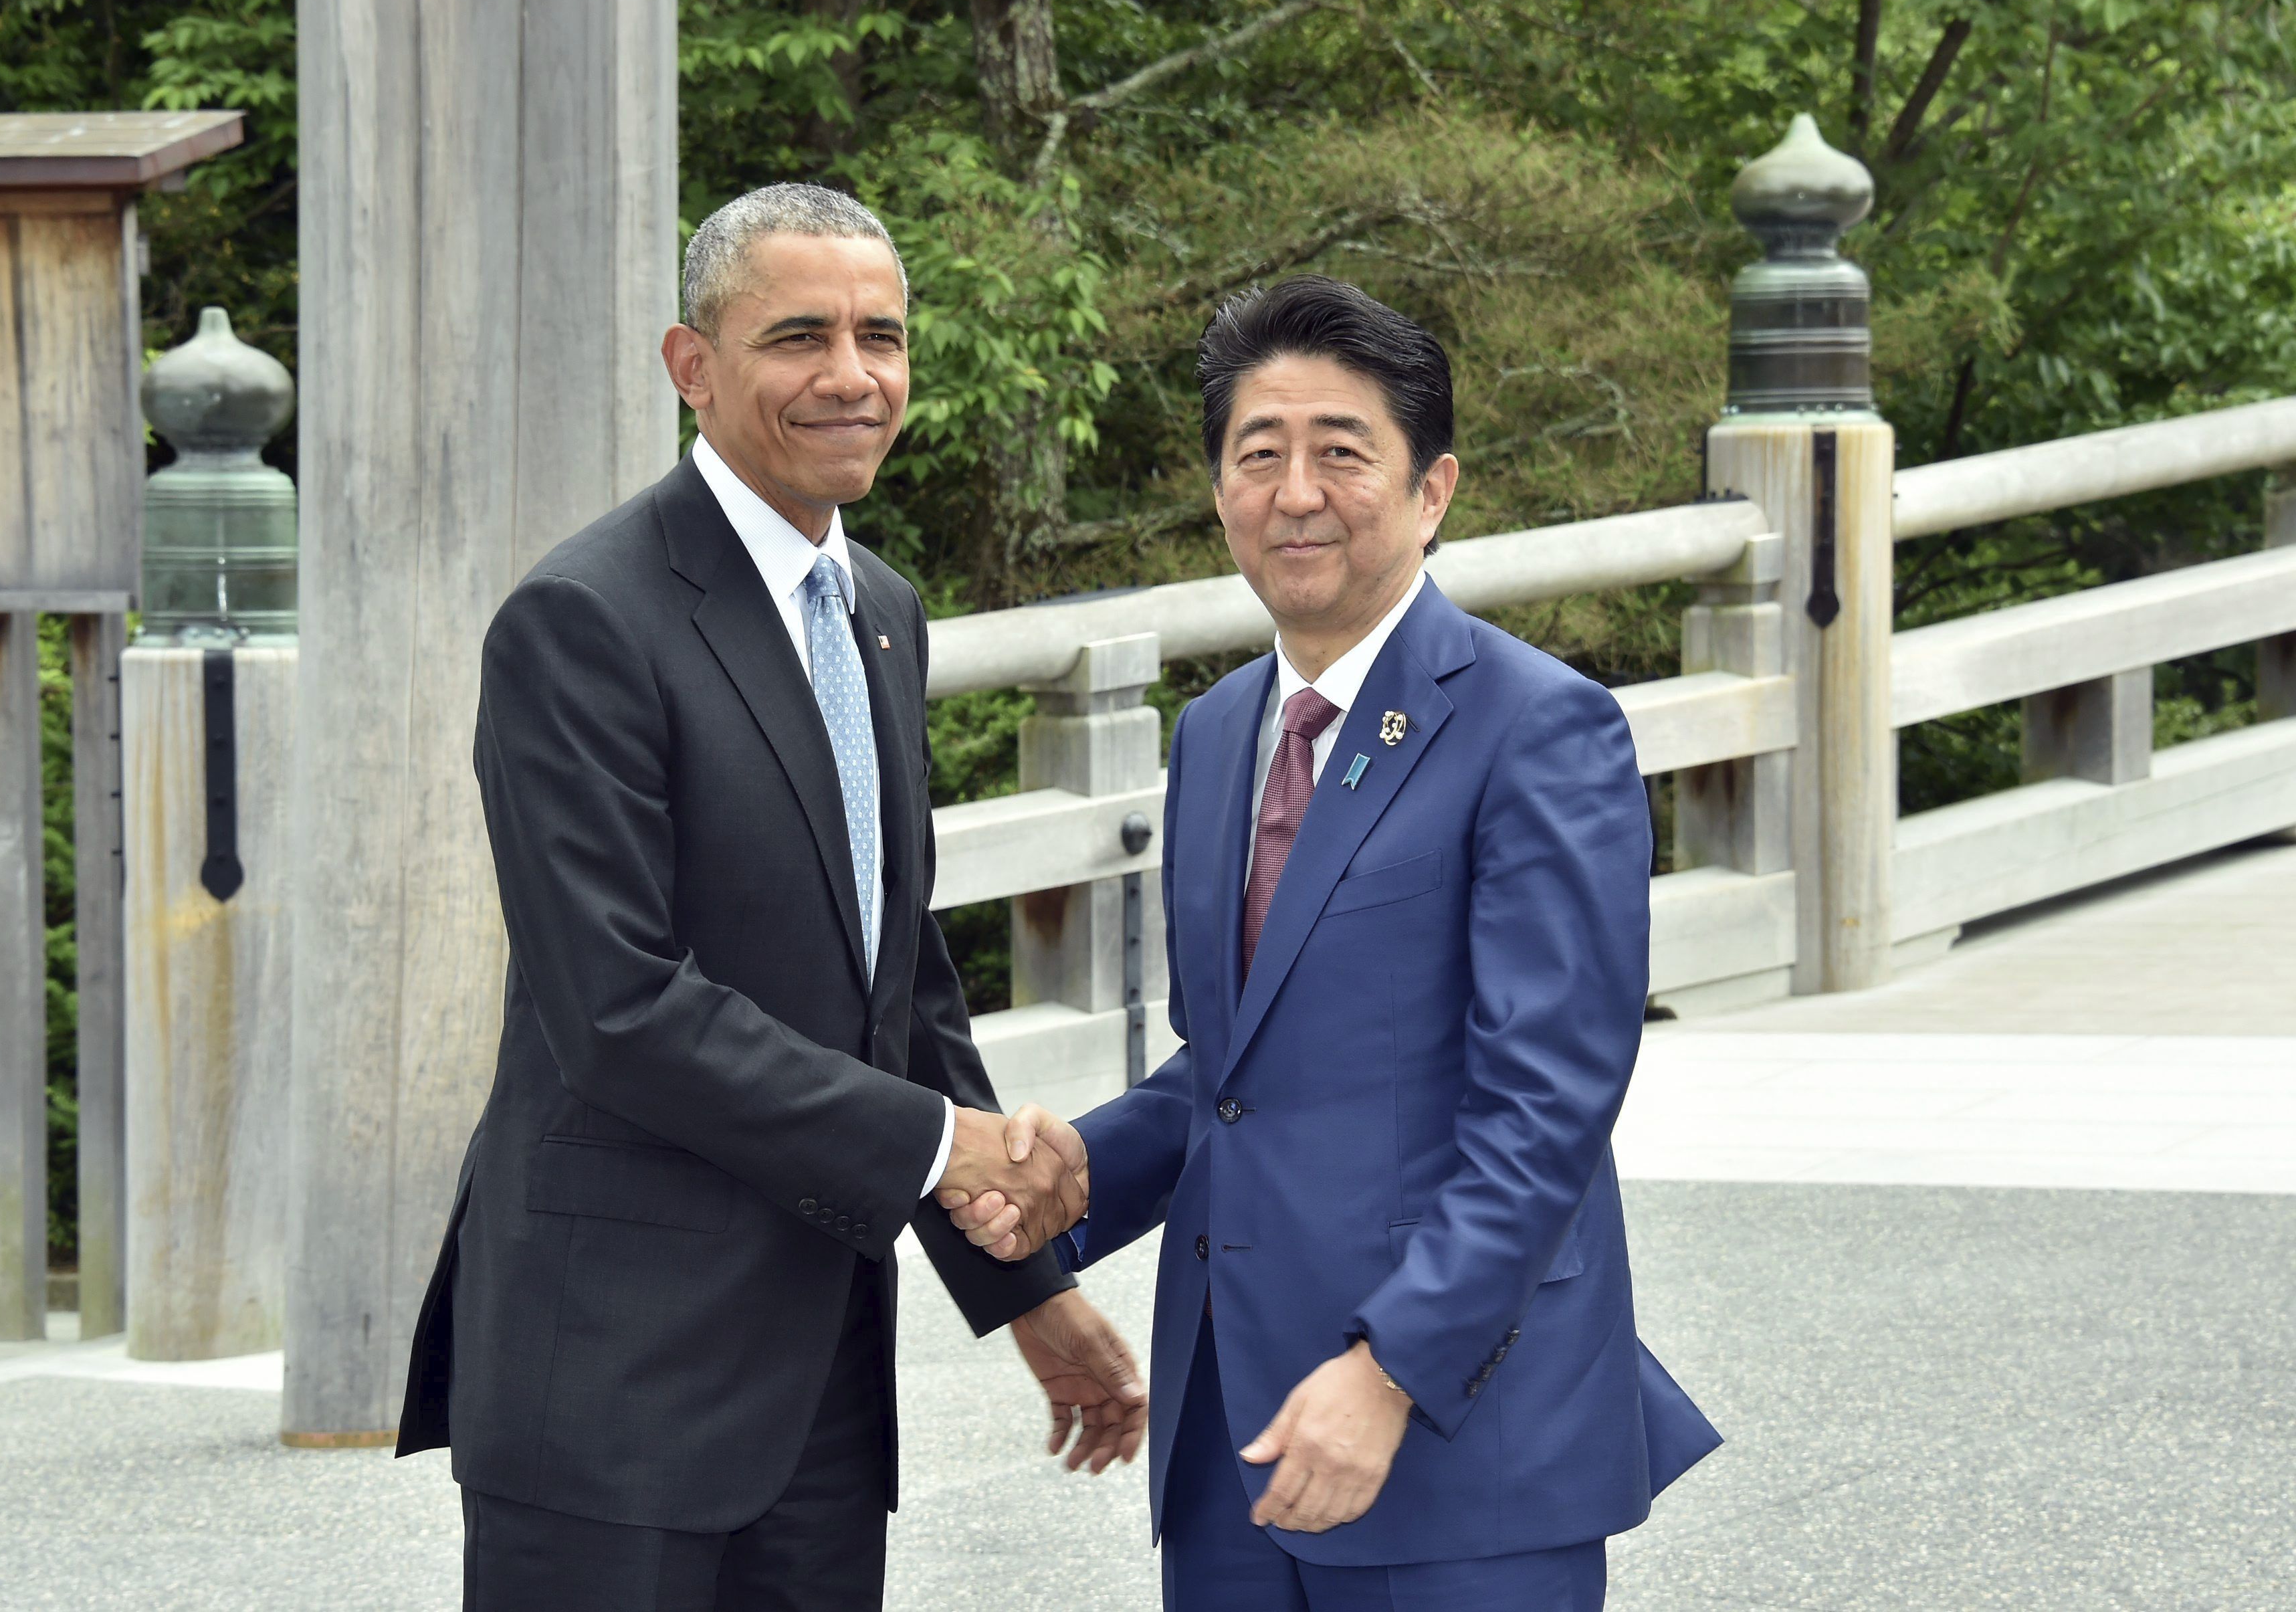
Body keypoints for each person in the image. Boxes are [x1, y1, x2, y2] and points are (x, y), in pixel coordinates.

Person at [396, 183, 1147, 1611]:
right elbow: (618, 1007)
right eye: (799, 336)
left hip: (824, 1390)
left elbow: (898, 985)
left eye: (883, 337)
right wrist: (950, 1146)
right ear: (692, 365)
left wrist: (1028, 1288)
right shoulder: (584, 619)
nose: (852, 376)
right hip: (613, 1385)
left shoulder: (881, 609)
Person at [944, 275, 1721, 1611]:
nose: (1296, 492)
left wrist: (1393, 1368)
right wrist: (1075, 1174)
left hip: (1456, 1430)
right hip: (1231, 1430)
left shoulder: (1540, 726)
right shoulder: (1217, 732)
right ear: (1220, 494)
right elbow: (1231, 1071)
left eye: (1342, 452)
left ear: (1433, 490)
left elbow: (1547, 1103)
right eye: (1259, 455)